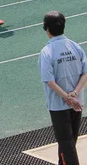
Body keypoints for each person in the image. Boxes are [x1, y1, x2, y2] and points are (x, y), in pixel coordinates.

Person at [39, 11, 87, 165]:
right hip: (77, 102)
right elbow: (85, 73)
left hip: (59, 105)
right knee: (70, 142)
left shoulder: (46, 53)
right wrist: (74, 94)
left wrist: (67, 98)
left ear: (46, 28)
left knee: (66, 143)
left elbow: (50, 81)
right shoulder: (76, 47)